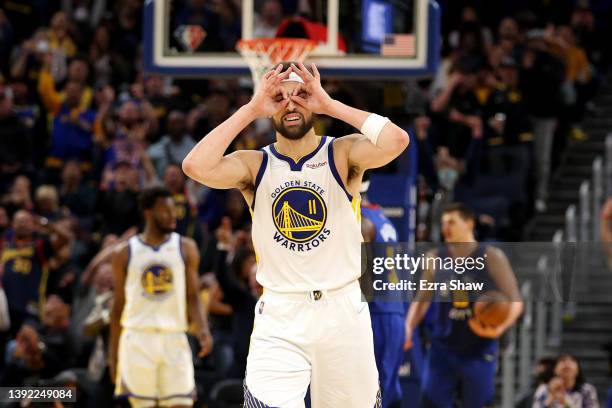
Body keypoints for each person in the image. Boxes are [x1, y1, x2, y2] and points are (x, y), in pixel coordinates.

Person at [182, 62, 409, 407]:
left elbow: (397, 140)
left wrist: (329, 104)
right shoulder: (254, 164)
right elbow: (195, 166)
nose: (290, 104)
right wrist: (250, 109)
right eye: (280, 97)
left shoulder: (342, 152)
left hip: (343, 310)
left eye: (300, 96)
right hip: (281, 312)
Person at [404, 203, 524, 407]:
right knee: (431, 402)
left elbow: (516, 301)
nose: (446, 228)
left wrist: (498, 328)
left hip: (478, 348)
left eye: (452, 222)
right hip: (442, 348)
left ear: (469, 223)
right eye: (443, 223)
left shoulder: (491, 256)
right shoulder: (434, 258)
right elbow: (421, 300)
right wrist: (408, 328)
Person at [108, 186, 213, 407]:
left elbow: (193, 296)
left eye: (173, 210)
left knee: (181, 404)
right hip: (137, 338)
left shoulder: (186, 247)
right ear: (148, 213)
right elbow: (117, 307)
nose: (172, 215)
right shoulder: (124, 253)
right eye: (165, 210)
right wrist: (113, 353)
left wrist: (203, 329)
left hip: (174, 337)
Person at [360, 173, 418, 408]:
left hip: (375, 313)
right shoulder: (382, 217)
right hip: (394, 312)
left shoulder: (360, 220)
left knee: (370, 392)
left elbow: (360, 277)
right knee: (387, 391)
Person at [533, 353, 600, 408]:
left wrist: (565, 401)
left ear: (578, 370)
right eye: (562, 360)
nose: (567, 363)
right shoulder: (544, 389)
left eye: (572, 360)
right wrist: (551, 398)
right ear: (555, 369)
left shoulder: (587, 390)